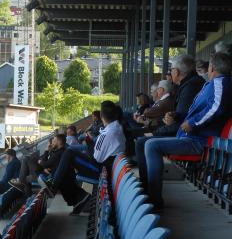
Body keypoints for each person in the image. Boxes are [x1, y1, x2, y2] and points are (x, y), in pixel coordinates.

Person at [143, 51, 232, 209]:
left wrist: (193, 123)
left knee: (151, 145)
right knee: (150, 143)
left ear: (212, 67)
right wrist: (180, 118)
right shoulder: (212, 84)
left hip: (200, 141)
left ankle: (154, 199)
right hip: (190, 137)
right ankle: (151, 193)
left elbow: (216, 107)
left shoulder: (221, 82)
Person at [39, 101, 126, 214]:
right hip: (106, 167)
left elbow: (96, 158)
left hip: (100, 170)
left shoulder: (107, 134)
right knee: (66, 164)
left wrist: (89, 143)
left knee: (68, 153)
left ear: (102, 117)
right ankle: (79, 197)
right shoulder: (118, 128)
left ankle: (54, 185)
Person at [135, 54, 205, 179]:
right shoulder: (188, 85)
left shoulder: (190, 87)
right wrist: (173, 116)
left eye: (171, 70)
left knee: (146, 144)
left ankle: (151, 191)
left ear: (177, 72)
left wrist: (157, 132)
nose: (170, 73)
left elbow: (181, 123)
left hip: (190, 137)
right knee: (143, 141)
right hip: (183, 133)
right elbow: (182, 116)